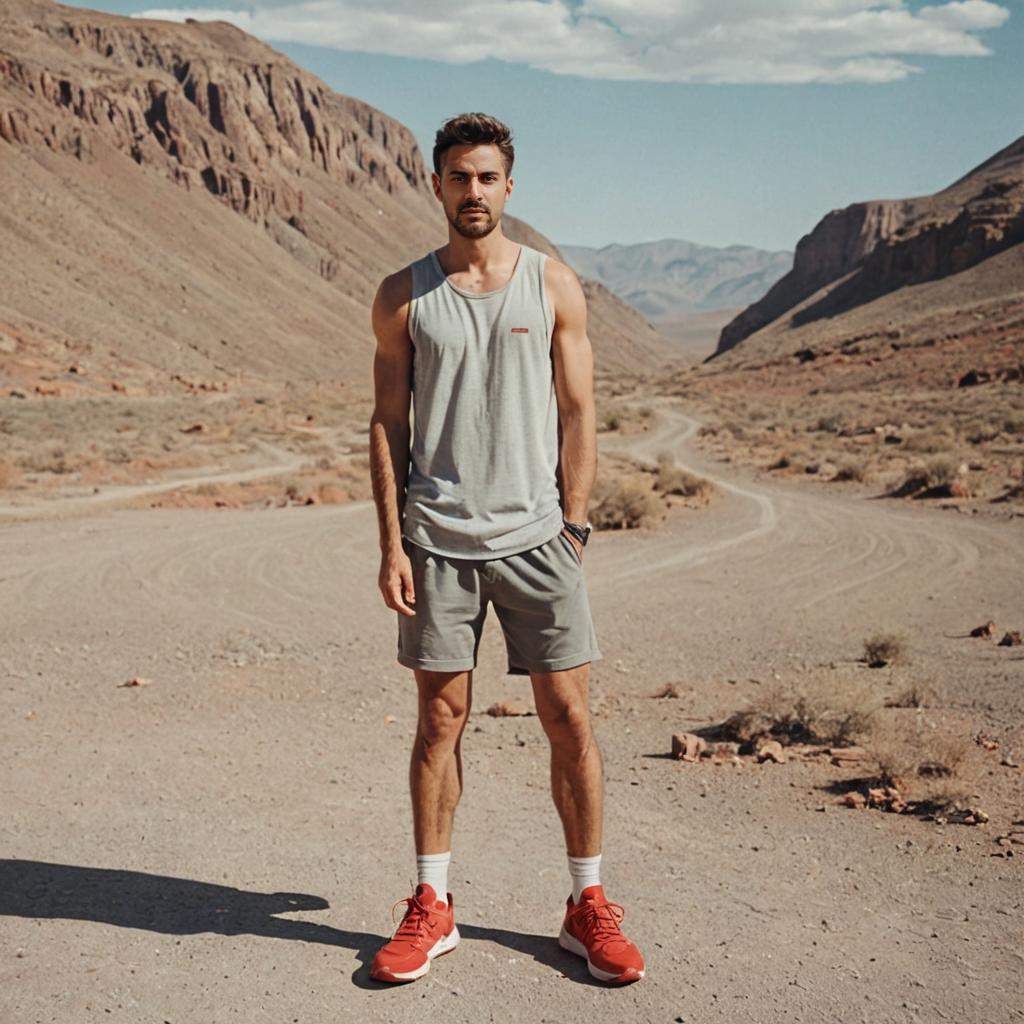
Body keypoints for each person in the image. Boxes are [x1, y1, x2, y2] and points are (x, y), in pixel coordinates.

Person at [367, 112, 645, 986]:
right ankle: (431, 904)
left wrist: (575, 523)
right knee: (439, 724)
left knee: (570, 723)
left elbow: (577, 412)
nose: (473, 191)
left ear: (508, 187)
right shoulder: (404, 295)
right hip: (438, 543)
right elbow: (387, 424)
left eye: (487, 177)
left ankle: (586, 906)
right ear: (437, 185)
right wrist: (392, 543)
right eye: (459, 176)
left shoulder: (554, 286)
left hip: (539, 542)